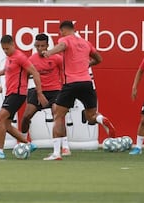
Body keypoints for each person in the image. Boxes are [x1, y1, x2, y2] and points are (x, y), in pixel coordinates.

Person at [42, 20, 116, 160]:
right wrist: (89, 63)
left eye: (60, 32)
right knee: (91, 116)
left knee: (58, 116)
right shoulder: (86, 43)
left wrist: (50, 52)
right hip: (87, 82)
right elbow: (99, 58)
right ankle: (101, 119)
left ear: (63, 30)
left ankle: (57, 153)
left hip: (71, 83)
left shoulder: (65, 39)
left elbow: (62, 45)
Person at [0, 35, 48, 159]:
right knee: (7, 125)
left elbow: (35, 73)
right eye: (3, 49)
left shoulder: (20, 57)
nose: (5, 51)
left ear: (13, 45)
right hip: (10, 93)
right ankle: (28, 144)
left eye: (7, 48)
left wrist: (39, 92)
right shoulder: (10, 57)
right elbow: (9, 68)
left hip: (17, 93)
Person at [20, 33, 71, 156]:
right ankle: (24, 141)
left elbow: (65, 73)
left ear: (47, 45)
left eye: (42, 46)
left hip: (55, 91)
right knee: (26, 116)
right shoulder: (31, 60)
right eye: (37, 46)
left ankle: (64, 146)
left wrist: (66, 89)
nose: (40, 48)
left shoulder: (56, 58)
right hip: (37, 90)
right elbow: (25, 77)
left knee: (58, 115)